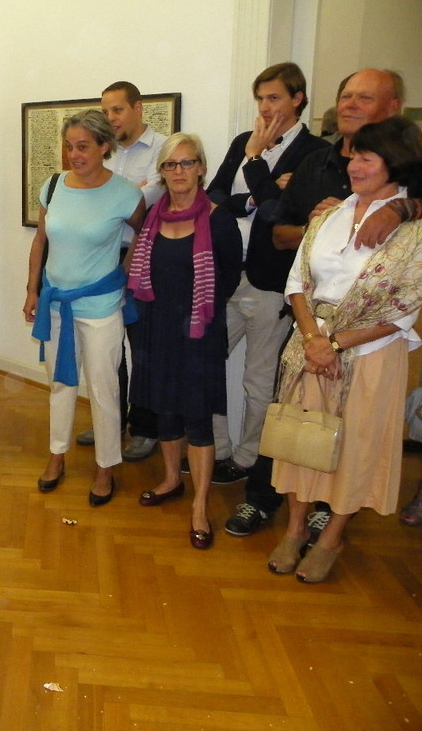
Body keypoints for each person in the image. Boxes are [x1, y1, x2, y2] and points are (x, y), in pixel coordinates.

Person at [267, 116, 422, 583]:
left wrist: (334, 344)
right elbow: (297, 281)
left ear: (394, 164)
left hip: (371, 352)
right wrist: (313, 339)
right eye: (354, 155)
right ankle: (295, 529)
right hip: (310, 343)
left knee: (355, 446)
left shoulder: (413, 229)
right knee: (299, 438)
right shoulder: (329, 215)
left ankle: (332, 537)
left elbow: (404, 307)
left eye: (367, 158)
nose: (354, 165)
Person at [204, 63, 329, 537]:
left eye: (274, 98)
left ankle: (247, 459)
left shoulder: (315, 153)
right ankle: (218, 449)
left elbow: (286, 217)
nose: (265, 107)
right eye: (260, 98)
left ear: (297, 99)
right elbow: (216, 195)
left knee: (259, 380)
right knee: (208, 360)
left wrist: (258, 170)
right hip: (226, 272)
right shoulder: (243, 141)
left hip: (271, 281)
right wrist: (255, 197)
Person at [127, 133, 243, 549]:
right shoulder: (153, 216)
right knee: (165, 409)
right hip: (156, 326)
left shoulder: (219, 220)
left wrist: (195, 314)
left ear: (201, 168)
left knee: (197, 418)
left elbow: (228, 279)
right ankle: (172, 479)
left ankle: (199, 505)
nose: (179, 171)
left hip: (198, 332)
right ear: (161, 172)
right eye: (170, 164)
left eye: (187, 162)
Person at [24, 110, 144, 500]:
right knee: (60, 384)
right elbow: (40, 240)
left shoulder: (125, 193)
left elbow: (144, 235)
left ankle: (106, 466)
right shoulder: (54, 186)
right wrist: (32, 290)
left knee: (103, 388)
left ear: (104, 146)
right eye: (69, 146)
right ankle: (56, 455)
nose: (74, 155)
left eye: (83, 147)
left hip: (101, 307)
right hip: (56, 303)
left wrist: (124, 272)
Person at [73, 82, 167, 462]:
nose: (111, 118)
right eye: (106, 111)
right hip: (104, 257)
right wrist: (127, 191)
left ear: (138, 108)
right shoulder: (104, 152)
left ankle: (145, 428)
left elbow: (143, 198)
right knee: (109, 349)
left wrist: (120, 192)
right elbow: (100, 198)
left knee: (142, 346)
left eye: (117, 109)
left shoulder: (162, 149)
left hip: (144, 256)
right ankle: (110, 422)